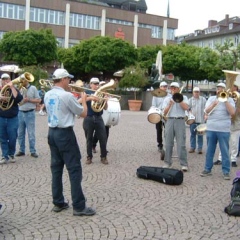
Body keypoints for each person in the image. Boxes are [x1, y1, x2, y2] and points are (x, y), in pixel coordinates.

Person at [44, 68, 96, 216]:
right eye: (68, 79)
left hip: (52, 133)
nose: (70, 82)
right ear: (63, 79)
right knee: (74, 169)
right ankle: (79, 206)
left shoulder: (48, 94)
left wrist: (78, 100)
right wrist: (85, 101)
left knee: (56, 169)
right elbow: (84, 113)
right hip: (65, 134)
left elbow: (65, 108)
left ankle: (58, 202)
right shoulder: (67, 95)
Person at [200, 83, 235, 180]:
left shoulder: (230, 99)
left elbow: (232, 112)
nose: (219, 90)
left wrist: (226, 101)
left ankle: (226, 171)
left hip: (224, 129)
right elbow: (206, 111)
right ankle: (207, 169)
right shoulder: (211, 99)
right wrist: (213, 104)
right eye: (218, 88)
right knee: (210, 150)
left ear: (225, 90)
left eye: (221, 88)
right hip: (211, 128)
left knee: (225, 151)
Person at [162, 82, 189, 171]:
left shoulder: (184, 97)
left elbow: (186, 108)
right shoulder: (167, 98)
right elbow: (164, 112)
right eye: (171, 88)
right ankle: (167, 162)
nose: (172, 90)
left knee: (181, 143)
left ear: (178, 89)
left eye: (174, 88)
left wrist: (179, 100)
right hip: (169, 120)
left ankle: (184, 164)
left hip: (180, 120)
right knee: (168, 142)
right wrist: (170, 104)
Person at [82, 77, 108, 165]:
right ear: (90, 84)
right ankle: (89, 157)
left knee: (103, 138)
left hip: (98, 117)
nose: (96, 85)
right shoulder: (86, 92)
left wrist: (105, 101)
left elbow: (105, 108)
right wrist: (90, 98)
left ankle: (103, 157)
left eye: (97, 83)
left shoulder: (102, 93)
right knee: (88, 139)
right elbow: (79, 101)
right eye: (94, 83)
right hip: (88, 117)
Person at [214, 82, 240, 167]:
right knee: (223, 142)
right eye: (231, 86)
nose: (232, 88)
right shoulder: (225, 96)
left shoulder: (238, 97)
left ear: (236, 88)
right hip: (225, 123)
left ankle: (233, 160)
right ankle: (220, 158)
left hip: (236, 123)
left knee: (234, 143)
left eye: (234, 86)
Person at [15, 75, 41, 158]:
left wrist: (29, 100)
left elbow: (39, 100)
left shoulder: (33, 88)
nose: (23, 81)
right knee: (20, 133)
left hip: (30, 112)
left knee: (31, 133)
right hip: (20, 112)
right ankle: (21, 150)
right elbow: (15, 99)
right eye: (22, 80)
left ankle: (32, 151)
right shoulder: (19, 88)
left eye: (24, 80)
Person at [0, 73, 23, 164]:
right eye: (4, 79)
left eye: (7, 79)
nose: (5, 81)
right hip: (1, 117)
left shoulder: (14, 89)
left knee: (13, 137)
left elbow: (18, 99)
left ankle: (11, 153)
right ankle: (4, 155)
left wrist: (12, 87)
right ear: (1, 80)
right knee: (2, 138)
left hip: (12, 118)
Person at [151, 81, 171, 154]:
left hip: (167, 115)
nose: (164, 88)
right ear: (160, 87)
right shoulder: (156, 95)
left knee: (168, 131)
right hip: (158, 114)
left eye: (165, 86)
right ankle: (160, 145)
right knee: (159, 130)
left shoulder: (169, 96)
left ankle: (167, 145)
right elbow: (153, 105)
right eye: (163, 86)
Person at [188, 87, 207, 154]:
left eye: (197, 92)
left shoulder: (203, 99)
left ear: (199, 92)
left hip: (201, 120)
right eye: (195, 92)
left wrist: (205, 115)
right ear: (193, 92)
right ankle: (192, 147)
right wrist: (190, 115)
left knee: (200, 135)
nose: (196, 93)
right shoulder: (190, 100)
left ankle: (200, 148)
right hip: (193, 120)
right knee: (192, 134)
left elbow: (206, 108)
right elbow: (188, 108)